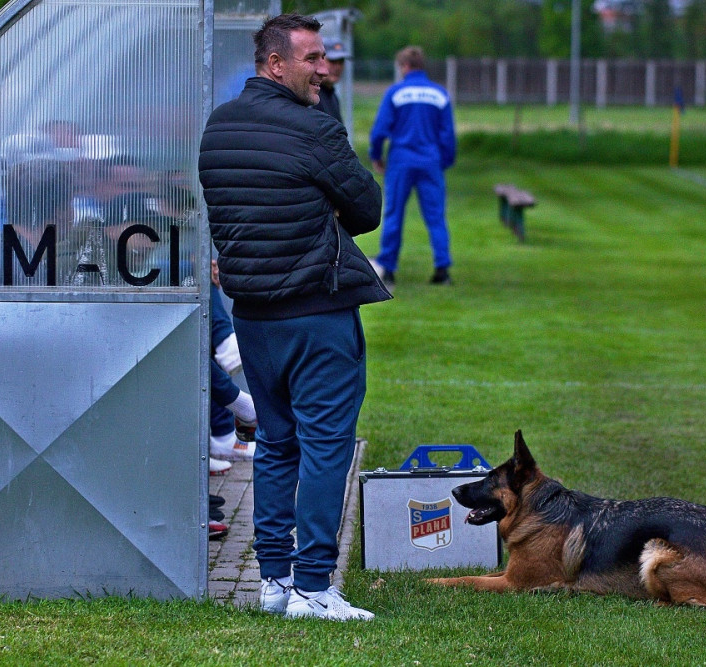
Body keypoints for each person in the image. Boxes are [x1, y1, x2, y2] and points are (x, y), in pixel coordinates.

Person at [199, 13, 390, 621]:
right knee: (326, 447)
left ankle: (274, 582)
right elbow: (367, 208)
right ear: (275, 64)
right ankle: (313, 587)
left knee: (277, 444)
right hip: (317, 314)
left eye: (324, 57)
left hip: (253, 318)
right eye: (312, 58)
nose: (324, 69)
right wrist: (325, 206)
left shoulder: (219, 126)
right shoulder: (314, 128)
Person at [368, 45, 457, 287]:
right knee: (436, 216)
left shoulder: (396, 93)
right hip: (430, 161)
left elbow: (379, 130)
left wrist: (376, 155)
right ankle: (442, 270)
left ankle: (388, 267)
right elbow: (448, 135)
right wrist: (444, 161)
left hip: (401, 160)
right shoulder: (440, 94)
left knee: (394, 214)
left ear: (405, 66)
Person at [315, 37, 348, 123]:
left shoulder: (332, 96)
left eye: (341, 62)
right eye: (332, 61)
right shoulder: (312, 97)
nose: (337, 67)